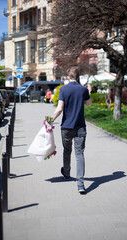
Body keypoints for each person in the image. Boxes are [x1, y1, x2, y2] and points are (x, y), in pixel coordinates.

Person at [52, 66, 91, 194]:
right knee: (79, 154)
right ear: (78, 76)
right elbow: (89, 104)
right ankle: (80, 184)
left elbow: (59, 108)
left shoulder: (63, 90)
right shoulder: (83, 89)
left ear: (68, 77)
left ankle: (67, 173)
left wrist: (50, 119)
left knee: (67, 150)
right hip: (80, 126)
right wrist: (88, 91)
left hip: (67, 127)